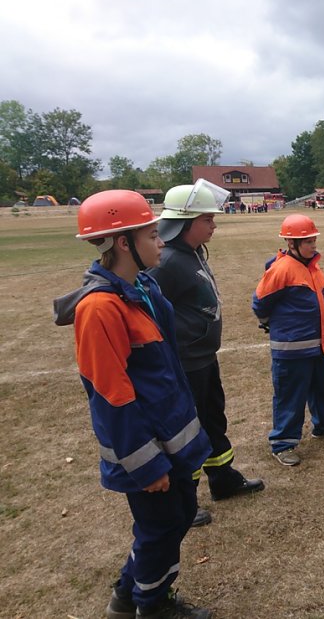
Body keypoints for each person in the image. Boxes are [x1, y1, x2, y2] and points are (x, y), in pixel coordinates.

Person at [53, 190, 213, 618]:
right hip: (147, 451)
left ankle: (128, 595)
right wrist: (145, 466)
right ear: (123, 243)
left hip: (170, 439)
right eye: (151, 234)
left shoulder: (139, 288)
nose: (161, 240)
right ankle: (151, 605)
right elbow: (111, 398)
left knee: (177, 517)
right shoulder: (101, 309)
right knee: (161, 527)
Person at [148, 180, 264, 525]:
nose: (214, 225)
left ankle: (222, 479)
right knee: (187, 430)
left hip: (204, 357)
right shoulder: (165, 262)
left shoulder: (191, 253)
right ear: (185, 223)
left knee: (213, 418)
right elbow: (150, 314)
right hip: (185, 363)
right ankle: (184, 500)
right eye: (207, 220)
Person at [252, 214, 324, 466]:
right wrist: (270, 324)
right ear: (291, 243)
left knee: (322, 389)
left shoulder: (312, 266)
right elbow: (260, 303)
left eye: (313, 239)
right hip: (291, 348)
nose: (312, 244)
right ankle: (283, 442)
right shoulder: (282, 269)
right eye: (306, 241)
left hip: (315, 344)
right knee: (290, 396)